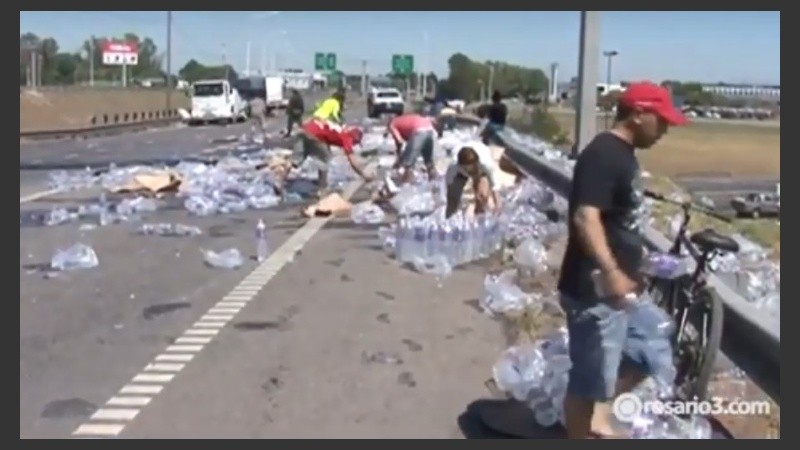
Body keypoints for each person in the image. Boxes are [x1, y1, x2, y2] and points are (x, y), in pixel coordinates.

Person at [556, 81, 687, 439]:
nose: (665, 131)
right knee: (589, 380)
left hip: (622, 289)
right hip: (594, 290)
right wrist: (612, 271)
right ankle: (583, 430)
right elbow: (586, 216)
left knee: (652, 344)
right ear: (639, 113)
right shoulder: (604, 154)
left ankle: (599, 415)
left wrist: (641, 262)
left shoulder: (623, 154)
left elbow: (619, 221)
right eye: (661, 121)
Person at [280, 118, 372, 198]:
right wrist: (364, 175)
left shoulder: (340, 128)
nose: (354, 145)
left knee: (294, 160)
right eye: (355, 143)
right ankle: (322, 190)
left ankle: (279, 182)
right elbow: (352, 161)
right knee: (324, 159)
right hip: (316, 136)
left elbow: (319, 119)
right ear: (354, 138)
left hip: (304, 130)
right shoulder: (347, 138)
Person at [444, 142, 501, 218]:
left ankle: (480, 218)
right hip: (460, 174)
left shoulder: (486, 163)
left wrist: (498, 207)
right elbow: (449, 191)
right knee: (453, 201)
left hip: (480, 169)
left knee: (482, 196)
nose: (469, 172)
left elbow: (495, 188)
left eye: (471, 169)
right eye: (466, 169)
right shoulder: (453, 167)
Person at [388, 113, 442, 184]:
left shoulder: (392, 124)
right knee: (428, 160)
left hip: (418, 130)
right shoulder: (403, 119)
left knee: (409, 163)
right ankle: (434, 182)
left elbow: (400, 141)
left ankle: (406, 185)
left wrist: (398, 159)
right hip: (429, 129)